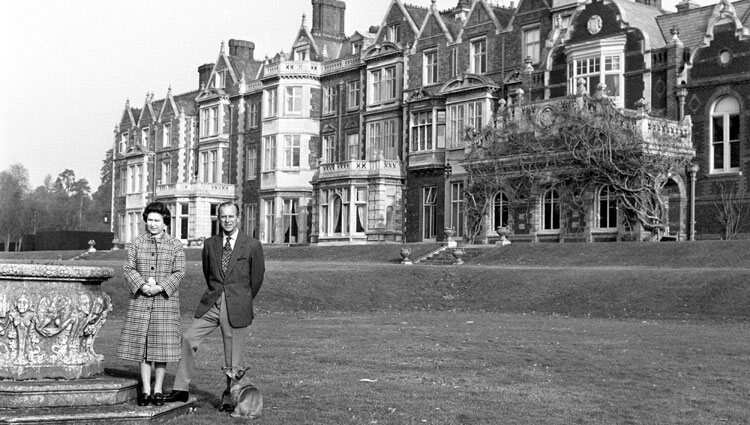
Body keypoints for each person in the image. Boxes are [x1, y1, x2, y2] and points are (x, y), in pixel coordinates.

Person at [166, 202, 265, 412]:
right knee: (188, 337)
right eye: (223, 217)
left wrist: (241, 300)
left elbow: (256, 279)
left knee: (233, 359)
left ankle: (229, 398)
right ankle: (181, 388)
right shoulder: (210, 244)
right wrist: (218, 294)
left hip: (236, 305)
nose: (227, 220)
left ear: (238, 218)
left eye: (231, 216)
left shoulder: (252, 245)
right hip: (211, 303)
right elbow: (208, 272)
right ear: (218, 219)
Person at [116, 202, 185, 407]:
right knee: (143, 347)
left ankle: (158, 389)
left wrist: (160, 287)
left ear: (165, 223)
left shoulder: (175, 245)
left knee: (161, 348)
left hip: (164, 302)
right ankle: (145, 389)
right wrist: (142, 285)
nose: (153, 224)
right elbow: (128, 268)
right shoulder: (137, 243)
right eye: (150, 220)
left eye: (157, 220)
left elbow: (179, 271)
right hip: (141, 300)